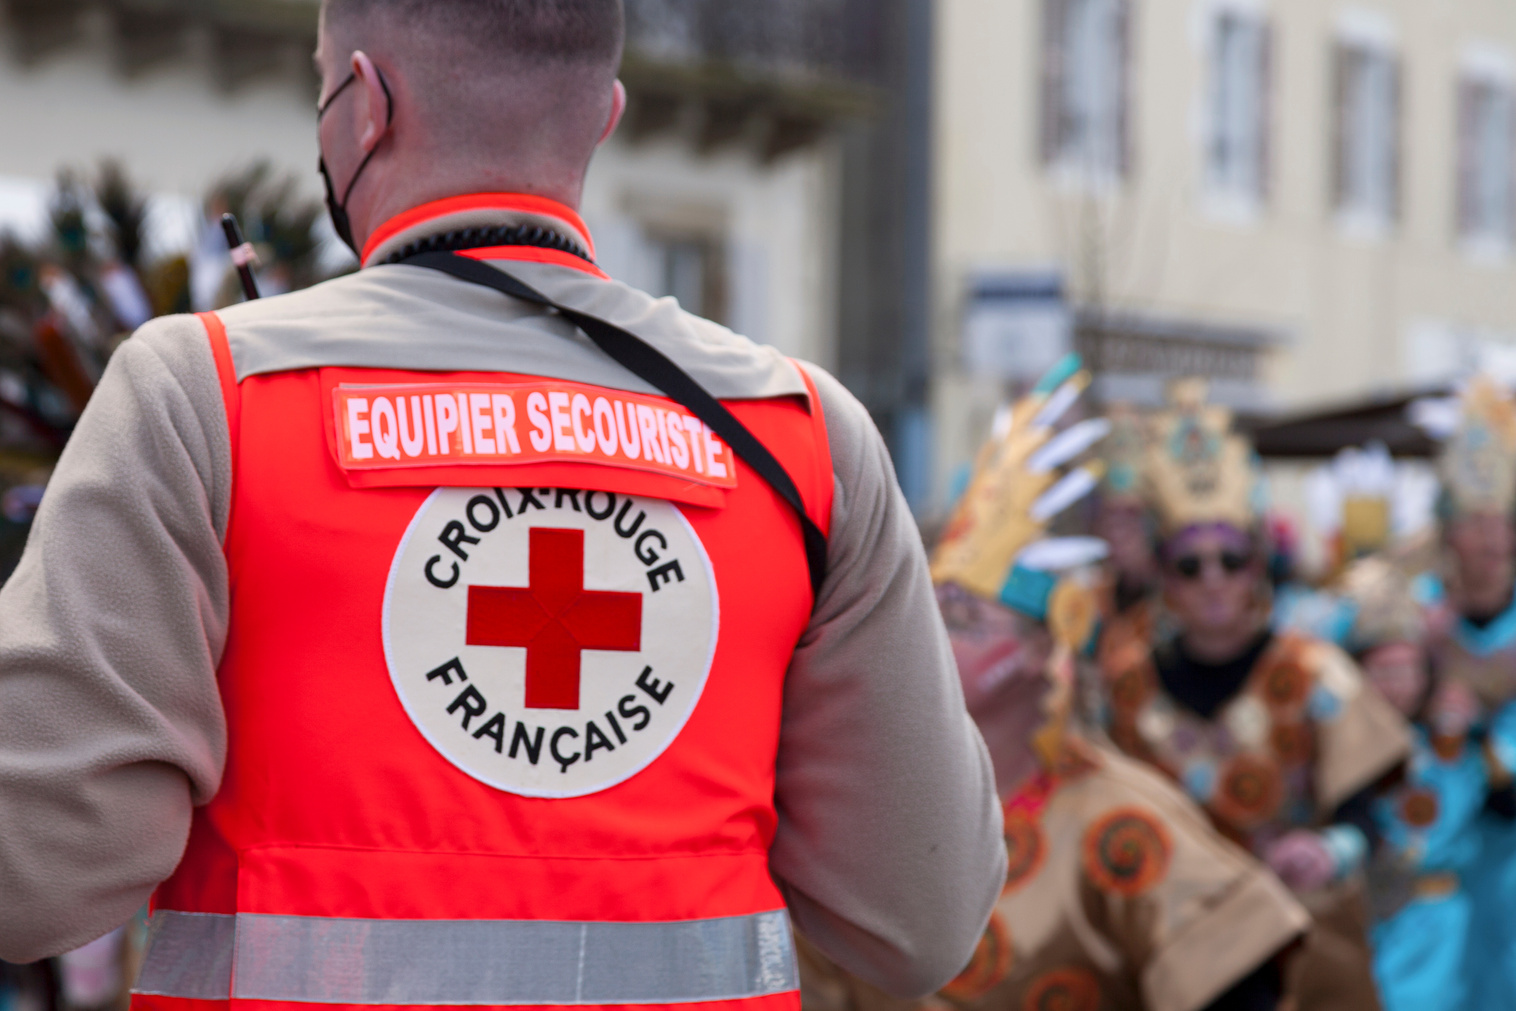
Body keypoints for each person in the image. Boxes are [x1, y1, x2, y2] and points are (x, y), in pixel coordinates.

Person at [0, 1, 1008, 1005]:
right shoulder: (799, 435)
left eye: (323, 89)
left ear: (368, 104)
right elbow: (920, 920)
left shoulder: (206, 395)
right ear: (602, 117)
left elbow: (38, 872)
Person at [800, 358, 1310, 1011]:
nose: (930, 640)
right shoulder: (859, 812)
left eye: (962, 620)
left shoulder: (1117, 817)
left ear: (1043, 650)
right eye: (924, 614)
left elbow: (1238, 972)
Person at [1095, 379, 1411, 1010]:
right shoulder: (1124, 688)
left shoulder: (1317, 674)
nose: (1212, 579)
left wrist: (1328, 850)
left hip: (1303, 955)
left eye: (1231, 559)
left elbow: (1373, 816)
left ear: (1257, 566)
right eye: (1190, 564)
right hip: (1171, 958)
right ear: (1164, 577)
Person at [1419, 377, 1516, 1011]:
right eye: (1476, 523)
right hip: (1430, 876)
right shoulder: (1410, 619)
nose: (1492, 540)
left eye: (1503, 522)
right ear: (1448, 532)